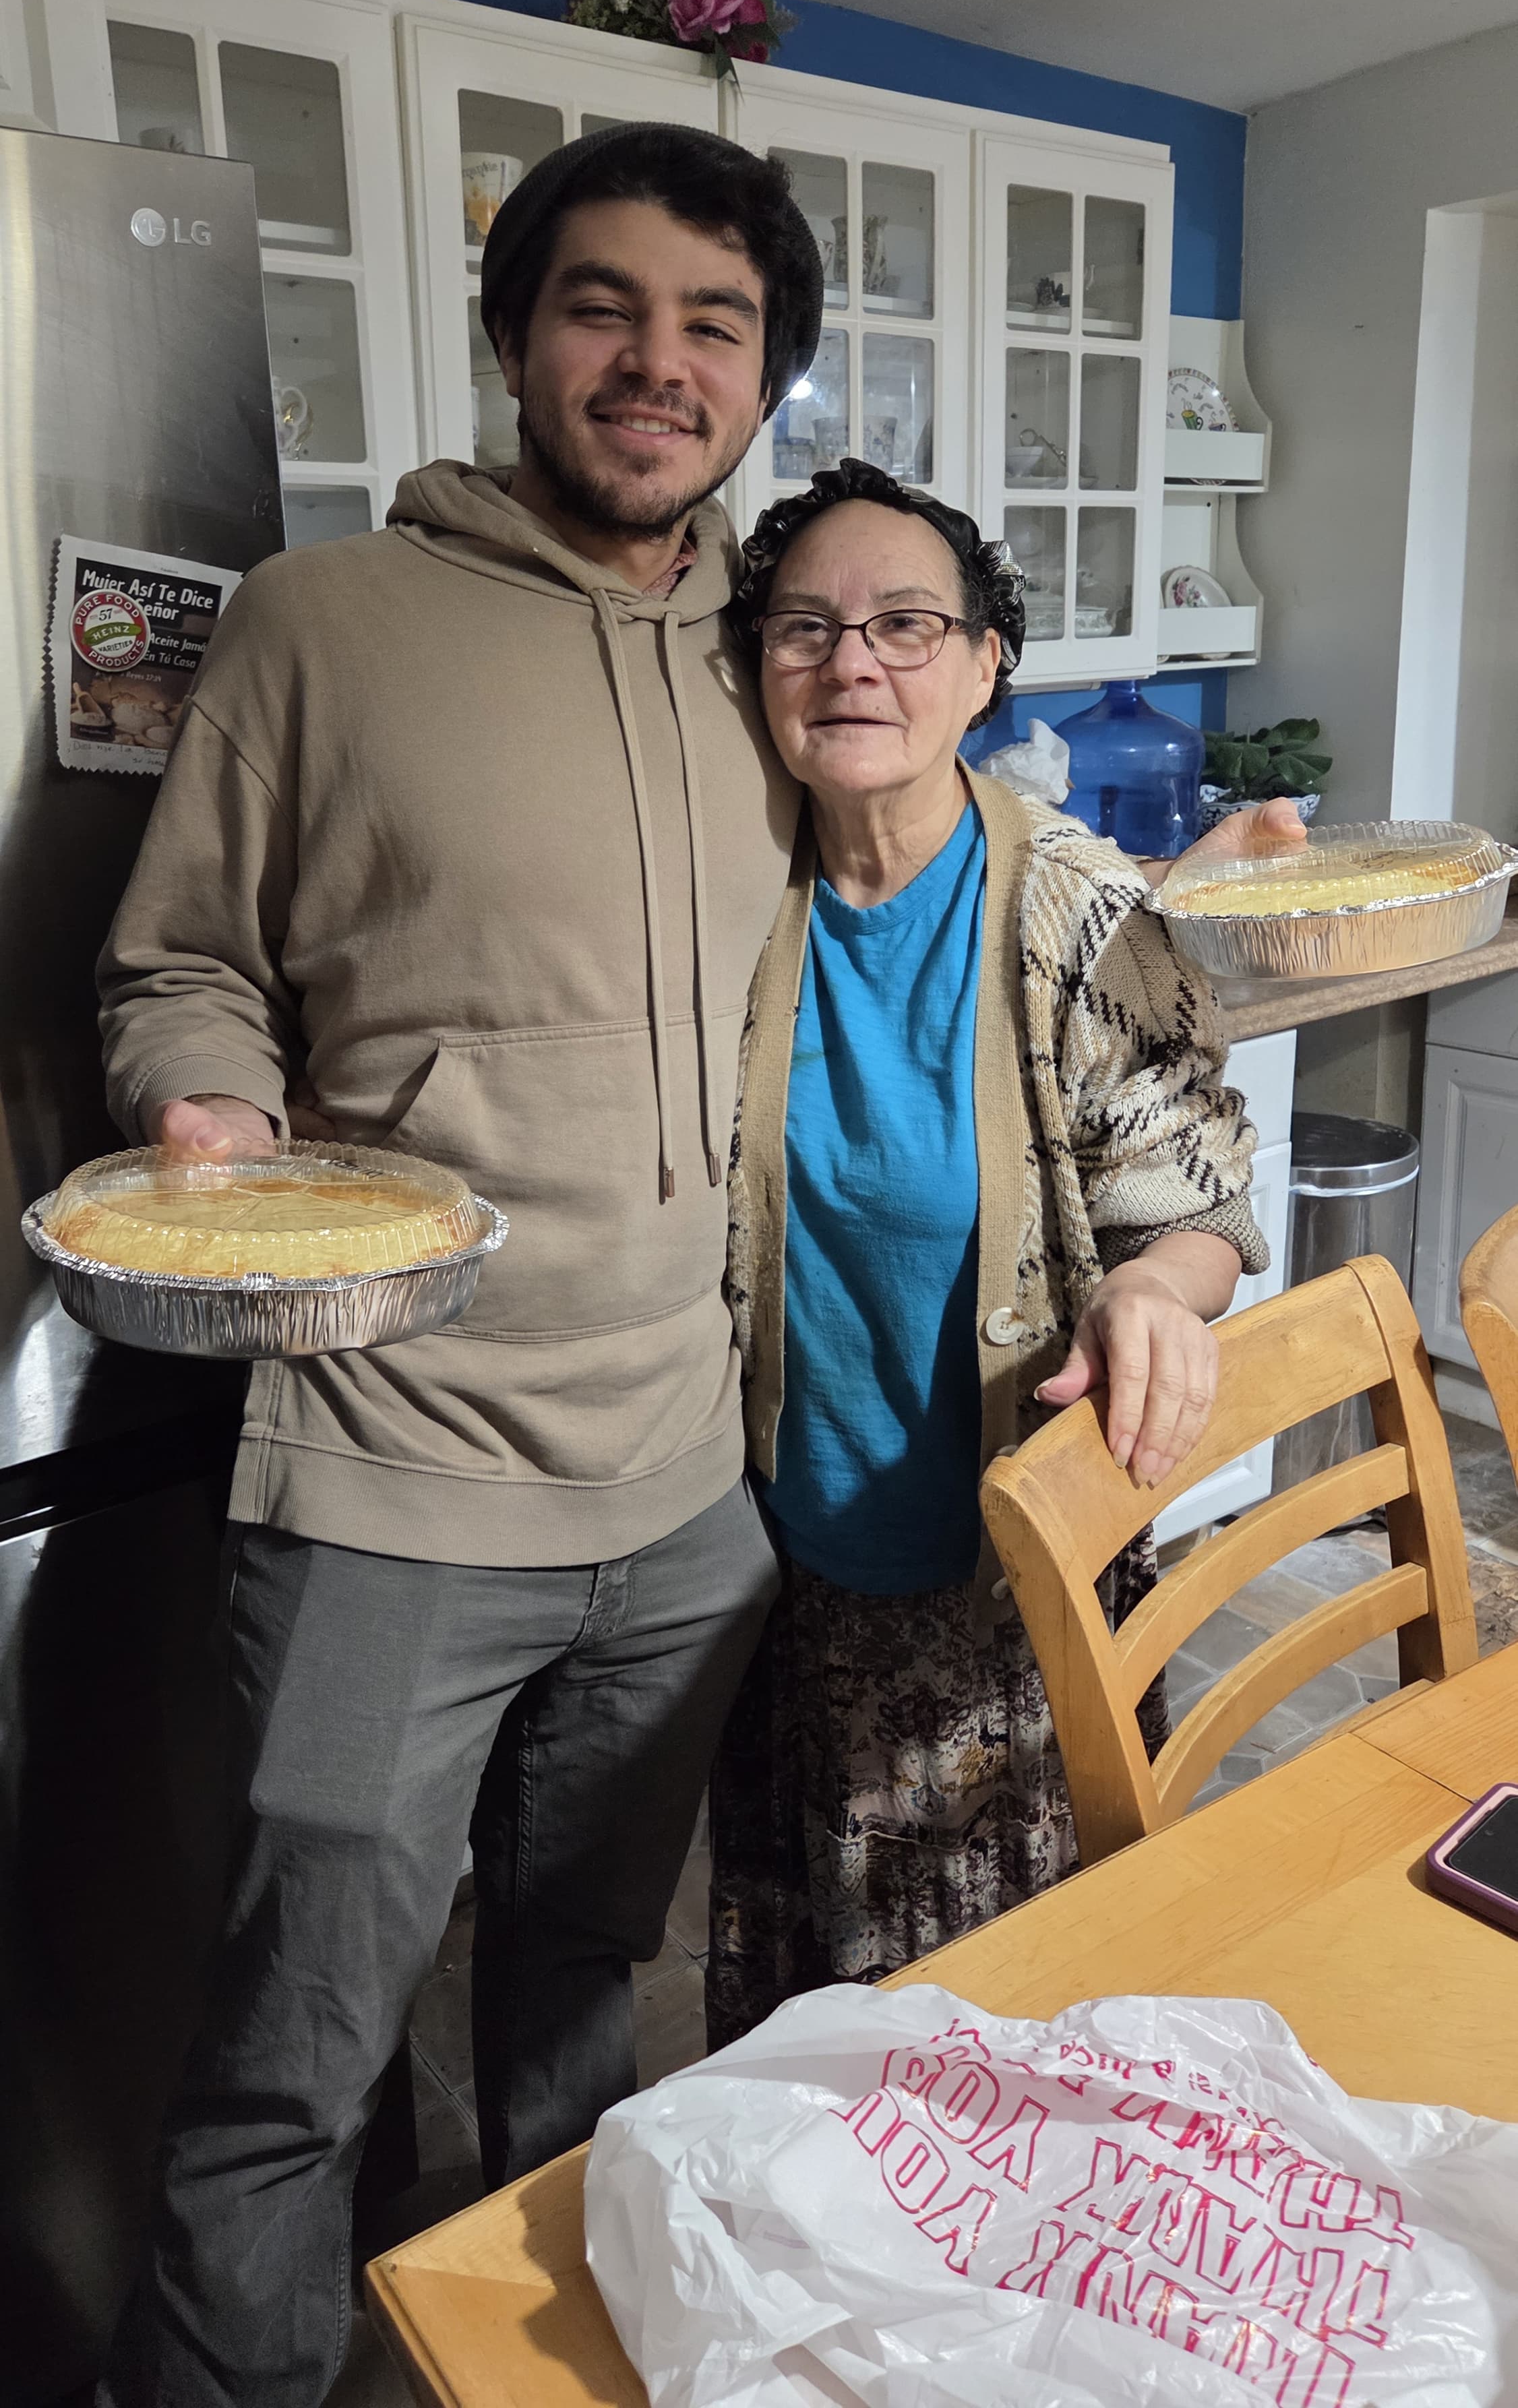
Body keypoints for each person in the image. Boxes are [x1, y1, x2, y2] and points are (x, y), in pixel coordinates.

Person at [94, 121, 1298, 2406]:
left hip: (685, 1500)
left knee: (575, 1997)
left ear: (764, 382)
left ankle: (569, 2356)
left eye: (715, 325)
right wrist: (215, 1114)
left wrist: (1175, 1184)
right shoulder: (320, 624)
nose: (657, 362)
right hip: (387, 1470)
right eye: (603, 306)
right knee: (300, 2050)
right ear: (516, 333)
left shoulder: (768, 651)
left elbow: (999, 894)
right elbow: (178, 966)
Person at [705, 459, 1269, 2044]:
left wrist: (1158, 1292)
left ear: (981, 662)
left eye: (904, 621)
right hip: (780, 1556)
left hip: (1006, 1572)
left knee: (1011, 2021)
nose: (852, 660)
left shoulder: (1078, 909)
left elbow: (1192, 1197)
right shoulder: (726, 900)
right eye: (804, 626)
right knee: (810, 1997)